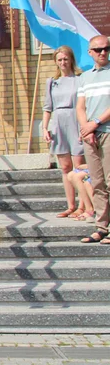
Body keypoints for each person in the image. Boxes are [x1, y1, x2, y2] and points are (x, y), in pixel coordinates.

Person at [42, 46, 85, 218]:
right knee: (65, 167)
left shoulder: (80, 79)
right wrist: (45, 128)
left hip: (75, 120)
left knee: (79, 166)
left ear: (71, 59)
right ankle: (70, 205)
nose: (62, 63)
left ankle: (83, 207)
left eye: (65, 59)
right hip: (59, 122)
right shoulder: (52, 82)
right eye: (59, 60)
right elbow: (47, 107)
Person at [77, 35, 110, 244]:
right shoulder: (85, 77)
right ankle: (101, 226)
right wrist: (86, 129)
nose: (103, 52)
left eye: (106, 48)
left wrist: (95, 122)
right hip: (90, 136)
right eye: (98, 50)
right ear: (90, 52)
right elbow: (80, 107)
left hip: (107, 130)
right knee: (97, 181)